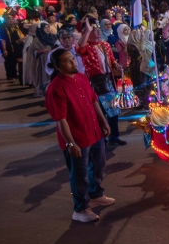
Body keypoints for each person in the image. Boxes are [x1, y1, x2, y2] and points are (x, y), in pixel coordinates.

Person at [44, 48, 115, 223]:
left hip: (94, 131)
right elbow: (61, 119)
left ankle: (96, 194)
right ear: (57, 67)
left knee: (98, 165)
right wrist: (70, 144)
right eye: (67, 61)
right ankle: (80, 208)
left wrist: (103, 122)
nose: (73, 63)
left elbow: (94, 100)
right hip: (77, 138)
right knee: (79, 174)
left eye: (73, 59)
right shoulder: (56, 88)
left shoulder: (82, 78)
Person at [77, 17, 126, 148]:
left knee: (114, 110)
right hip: (95, 83)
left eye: (99, 29)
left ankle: (114, 136)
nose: (98, 32)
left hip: (108, 81)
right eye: (94, 30)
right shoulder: (86, 47)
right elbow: (79, 49)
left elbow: (111, 59)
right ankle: (102, 138)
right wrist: (87, 31)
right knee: (100, 112)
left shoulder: (105, 44)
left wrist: (115, 65)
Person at [0, 14, 25, 82]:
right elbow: (2, 40)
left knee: (18, 61)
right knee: (9, 61)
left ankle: (17, 75)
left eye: (12, 19)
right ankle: (10, 75)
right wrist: (4, 50)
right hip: (8, 47)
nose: (11, 21)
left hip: (17, 47)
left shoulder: (17, 27)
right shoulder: (2, 28)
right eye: (9, 19)